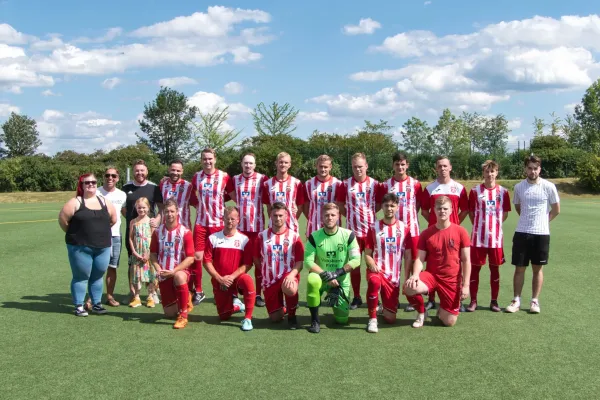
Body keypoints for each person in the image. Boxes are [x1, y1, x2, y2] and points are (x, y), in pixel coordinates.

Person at [404, 196, 471, 328]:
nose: (442, 211)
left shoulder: (461, 231)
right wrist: (416, 274)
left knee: (449, 322)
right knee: (409, 287)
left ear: (452, 210)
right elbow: (419, 258)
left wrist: (466, 285)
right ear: (434, 210)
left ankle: (442, 310)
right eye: (439, 208)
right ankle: (422, 313)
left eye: (445, 208)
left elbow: (466, 260)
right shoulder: (426, 233)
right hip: (432, 276)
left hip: (451, 280)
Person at [505, 155, 560, 314]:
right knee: (519, 269)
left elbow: (556, 209)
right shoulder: (519, 187)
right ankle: (516, 300)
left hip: (541, 234)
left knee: (537, 269)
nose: (532, 171)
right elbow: (518, 207)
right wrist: (527, 221)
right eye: (529, 168)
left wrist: (544, 221)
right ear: (525, 169)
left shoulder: (549, 186)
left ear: (540, 169)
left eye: (535, 168)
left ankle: (534, 301)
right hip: (522, 233)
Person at [58, 173, 117, 316]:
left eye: (93, 182)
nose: (91, 184)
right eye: (87, 182)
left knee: (97, 276)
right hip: (80, 247)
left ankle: (97, 304)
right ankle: (79, 305)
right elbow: (63, 221)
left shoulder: (105, 201)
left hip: (102, 246)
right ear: (82, 185)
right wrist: (78, 234)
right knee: (81, 276)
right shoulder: (75, 202)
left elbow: (113, 219)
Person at [420, 156, 469, 310]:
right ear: (436, 168)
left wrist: (455, 224)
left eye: (445, 166)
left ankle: (457, 298)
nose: (442, 169)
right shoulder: (429, 188)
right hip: (434, 234)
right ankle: (431, 299)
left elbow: (465, 209)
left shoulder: (459, 188)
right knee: (432, 262)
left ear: (450, 167)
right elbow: (424, 211)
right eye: (439, 166)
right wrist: (435, 224)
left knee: (456, 263)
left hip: (453, 234)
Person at [304, 203, 361, 333]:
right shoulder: (314, 236)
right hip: (321, 277)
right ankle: (315, 320)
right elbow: (308, 261)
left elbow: (356, 260)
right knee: (312, 280)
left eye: (332, 215)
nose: (329, 218)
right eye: (326, 215)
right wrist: (326, 275)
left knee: (342, 320)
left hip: (340, 279)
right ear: (322, 218)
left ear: (338, 216)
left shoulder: (348, 235)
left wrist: (337, 273)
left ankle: (337, 301)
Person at [377, 152, 422, 312]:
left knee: (411, 266)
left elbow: (417, 206)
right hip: (391, 232)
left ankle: (410, 297)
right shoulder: (386, 184)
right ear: (393, 165)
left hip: (411, 231)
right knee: (389, 265)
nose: (400, 167)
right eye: (397, 164)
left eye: (403, 164)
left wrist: (408, 222)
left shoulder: (415, 184)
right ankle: (389, 299)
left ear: (407, 165)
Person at [336, 152, 379, 310]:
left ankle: (374, 296)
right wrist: (351, 215)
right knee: (353, 266)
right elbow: (340, 205)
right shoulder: (345, 184)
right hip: (352, 233)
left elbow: (380, 204)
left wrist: (368, 215)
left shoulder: (375, 184)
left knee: (372, 266)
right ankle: (357, 296)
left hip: (370, 233)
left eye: (360, 166)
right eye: (355, 167)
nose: (358, 169)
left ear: (366, 166)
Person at [467, 160, 511, 312]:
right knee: (475, 269)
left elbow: (504, 213)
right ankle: (473, 301)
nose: (490, 174)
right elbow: (471, 213)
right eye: (487, 171)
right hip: (478, 238)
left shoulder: (503, 192)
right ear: (483, 173)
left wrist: (495, 225)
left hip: (496, 239)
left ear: (497, 172)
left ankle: (494, 301)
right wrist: (481, 225)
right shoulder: (474, 191)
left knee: (495, 269)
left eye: (492, 171)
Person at [364, 193, 411, 333]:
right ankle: (372, 319)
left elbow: (408, 256)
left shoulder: (405, 228)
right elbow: (367, 254)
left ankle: (384, 307)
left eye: (392, 205)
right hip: (377, 271)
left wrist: (406, 277)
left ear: (397, 207)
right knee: (374, 282)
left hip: (394, 277)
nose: (389, 208)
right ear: (382, 207)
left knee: (390, 319)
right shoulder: (374, 228)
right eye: (386, 205)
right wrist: (371, 264)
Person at [203, 206, 256, 331]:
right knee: (224, 316)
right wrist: (220, 278)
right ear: (223, 219)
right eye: (227, 219)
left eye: (233, 219)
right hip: (220, 281)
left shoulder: (244, 239)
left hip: (236, 279)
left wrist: (231, 277)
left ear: (238, 220)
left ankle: (248, 318)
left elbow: (247, 264)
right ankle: (236, 306)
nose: (230, 221)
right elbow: (206, 262)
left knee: (247, 280)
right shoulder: (213, 238)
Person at [227, 153, 269, 307]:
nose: (248, 166)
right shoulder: (235, 179)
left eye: (251, 163)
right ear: (241, 164)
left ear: (255, 165)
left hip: (257, 228)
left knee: (258, 262)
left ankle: (258, 294)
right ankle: (235, 293)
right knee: (238, 262)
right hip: (240, 229)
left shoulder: (262, 179)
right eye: (245, 163)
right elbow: (232, 195)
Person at [254, 202, 304, 330]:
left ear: (286, 215)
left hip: (287, 275)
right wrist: (266, 271)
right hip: (269, 280)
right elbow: (256, 258)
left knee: (290, 288)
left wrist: (291, 275)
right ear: (270, 215)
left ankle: (292, 316)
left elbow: (299, 262)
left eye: (281, 215)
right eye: (275, 215)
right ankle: (284, 307)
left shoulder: (294, 236)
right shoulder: (262, 236)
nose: (278, 218)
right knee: (275, 319)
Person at [190, 148, 230, 306]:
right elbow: (192, 195)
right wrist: (199, 206)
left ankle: (223, 286)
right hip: (201, 223)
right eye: (204, 159)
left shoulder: (224, 176)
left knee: (220, 259)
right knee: (197, 258)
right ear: (201, 161)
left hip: (218, 224)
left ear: (215, 159)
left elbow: (230, 195)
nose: (207, 161)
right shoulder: (196, 177)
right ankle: (199, 291)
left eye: (210, 159)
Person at [149, 198, 195, 329]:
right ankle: (187, 298)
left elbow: (191, 258)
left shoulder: (185, 232)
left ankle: (183, 316)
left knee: (179, 277)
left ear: (177, 213)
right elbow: (153, 254)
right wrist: (158, 268)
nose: (169, 214)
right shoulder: (158, 232)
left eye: (172, 211)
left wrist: (174, 271)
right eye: (167, 211)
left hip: (179, 272)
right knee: (169, 314)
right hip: (164, 274)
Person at [123, 159, 163, 303]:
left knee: (151, 262)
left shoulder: (154, 188)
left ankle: (152, 293)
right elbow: (123, 208)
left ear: (146, 171)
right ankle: (133, 292)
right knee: (132, 263)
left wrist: (157, 219)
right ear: (133, 172)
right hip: (133, 233)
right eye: (137, 170)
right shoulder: (126, 187)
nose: (139, 173)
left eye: (142, 170)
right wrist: (132, 221)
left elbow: (161, 208)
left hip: (149, 233)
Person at [97, 167, 126, 307]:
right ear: (103, 176)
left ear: (118, 178)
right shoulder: (95, 192)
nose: (110, 178)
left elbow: (126, 213)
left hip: (115, 236)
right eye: (107, 175)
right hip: (96, 236)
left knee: (112, 267)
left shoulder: (122, 195)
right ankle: (92, 298)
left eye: (113, 175)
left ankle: (109, 296)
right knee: (96, 268)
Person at [262, 152, 305, 233]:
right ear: (276, 163)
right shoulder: (267, 184)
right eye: (281, 162)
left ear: (289, 165)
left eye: (286, 162)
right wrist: (275, 219)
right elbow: (268, 207)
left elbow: (300, 206)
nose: (283, 164)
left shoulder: (296, 183)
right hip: (273, 225)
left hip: (291, 226)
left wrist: (292, 218)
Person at [128, 197, 157, 308]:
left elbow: (154, 238)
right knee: (137, 275)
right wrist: (134, 252)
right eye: (139, 207)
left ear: (148, 208)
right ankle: (137, 297)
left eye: (144, 207)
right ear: (136, 208)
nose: (141, 210)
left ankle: (150, 296)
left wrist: (149, 253)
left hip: (148, 253)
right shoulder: (133, 222)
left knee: (150, 275)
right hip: (137, 253)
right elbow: (131, 238)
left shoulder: (151, 221)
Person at [303, 154, 342, 237]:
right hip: (314, 228)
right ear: (316, 166)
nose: (323, 169)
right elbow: (305, 207)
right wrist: (313, 218)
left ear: (330, 167)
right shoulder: (308, 184)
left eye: (325, 167)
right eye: (320, 166)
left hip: (334, 227)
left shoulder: (338, 184)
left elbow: (341, 206)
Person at [159, 159, 197, 229]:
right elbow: (159, 205)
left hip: (184, 228)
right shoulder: (162, 184)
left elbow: (196, 205)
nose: (175, 173)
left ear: (182, 171)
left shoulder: (188, 186)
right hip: (166, 228)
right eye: (173, 170)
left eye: (178, 171)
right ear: (169, 169)